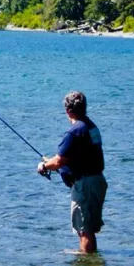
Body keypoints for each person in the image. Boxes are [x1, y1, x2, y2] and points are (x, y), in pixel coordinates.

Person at [37, 91, 107, 254]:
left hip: (85, 185)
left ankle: (85, 265)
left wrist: (44, 166)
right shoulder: (91, 127)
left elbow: (59, 161)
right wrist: (54, 163)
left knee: (84, 230)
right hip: (97, 180)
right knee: (88, 228)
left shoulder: (75, 131)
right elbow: (80, 156)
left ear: (68, 111)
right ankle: (90, 263)